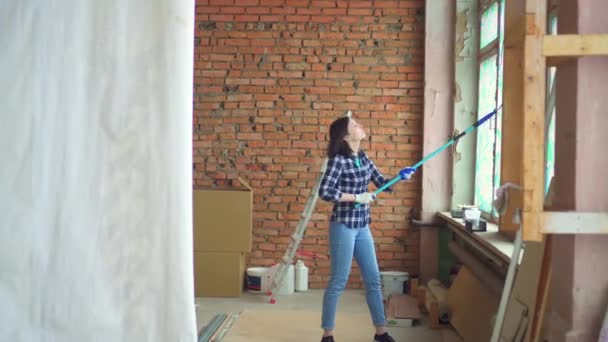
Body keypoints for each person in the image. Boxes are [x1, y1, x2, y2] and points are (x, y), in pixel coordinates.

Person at [318, 116, 414, 342]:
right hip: (343, 226)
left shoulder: (363, 157)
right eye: (355, 125)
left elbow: (382, 182)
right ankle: (327, 335)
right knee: (339, 280)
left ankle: (381, 333)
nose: (360, 126)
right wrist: (356, 197)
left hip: (362, 226)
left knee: (373, 279)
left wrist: (401, 177)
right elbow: (325, 192)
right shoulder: (338, 161)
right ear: (345, 136)